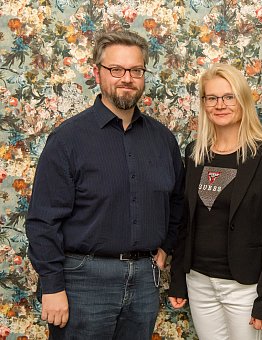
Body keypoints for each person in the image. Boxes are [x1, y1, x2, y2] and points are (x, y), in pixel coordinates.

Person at [25, 30, 184, 339]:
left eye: (135, 70)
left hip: (143, 282)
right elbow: (43, 220)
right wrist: (53, 286)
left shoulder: (163, 140)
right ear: (97, 72)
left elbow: (176, 201)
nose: (127, 78)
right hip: (83, 281)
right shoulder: (68, 140)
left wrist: (166, 246)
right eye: (116, 70)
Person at [168, 63, 262, 340]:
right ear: (204, 104)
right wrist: (178, 282)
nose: (219, 105)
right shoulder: (195, 153)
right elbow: (184, 221)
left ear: (242, 99)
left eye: (228, 96)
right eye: (212, 97)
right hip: (198, 281)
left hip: (245, 286)